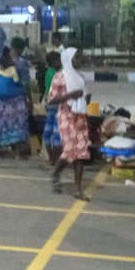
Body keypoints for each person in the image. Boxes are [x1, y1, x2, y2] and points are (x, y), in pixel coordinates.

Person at [47, 47, 91, 198]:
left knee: (80, 152)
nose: (80, 60)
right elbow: (52, 100)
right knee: (70, 149)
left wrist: (85, 98)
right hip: (66, 115)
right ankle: (55, 173)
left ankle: (78, 189)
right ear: (68, 60)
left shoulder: (80, 77)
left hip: (80, 116)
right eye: (77, 58)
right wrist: (71, 95)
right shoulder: (60, 77)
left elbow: (86, 96)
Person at [0, 49, 29, 158]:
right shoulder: (13, 69)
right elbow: (18, 83)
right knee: (17, 125)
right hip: (15, 101)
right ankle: (18, 152)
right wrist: (27, 98)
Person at [40, 50, 64, 166]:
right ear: (54, 62)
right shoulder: (58, 74)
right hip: (57, 104)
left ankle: (51, 159)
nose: (61, 62)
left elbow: (46, 89)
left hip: (49, 104)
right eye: (59, 60)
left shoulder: (48, 72)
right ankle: (57, 158)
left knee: (47, 132)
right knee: (57, 133)